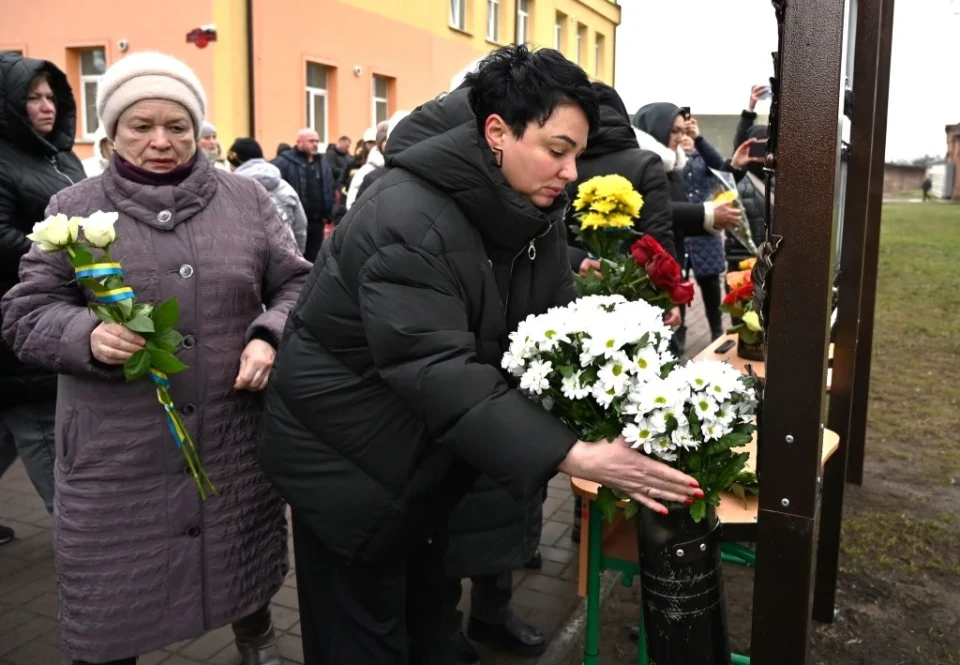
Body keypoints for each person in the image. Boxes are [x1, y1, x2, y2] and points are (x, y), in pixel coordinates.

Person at [257, 44, 702, 664]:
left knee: (430, 628)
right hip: (346, 470)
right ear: (497, 132)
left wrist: (625, 375)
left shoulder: (530, 207)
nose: (572, 172)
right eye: (558, 150)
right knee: (363, 640)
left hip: (422, 467)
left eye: (576, 152)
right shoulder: (407, 216)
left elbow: (551, 319)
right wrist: (574, 453)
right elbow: (436, 368)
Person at [1, 51, 311, 665]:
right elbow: (24, 313)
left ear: (198, 130)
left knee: (239, 560)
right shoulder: (73, 210)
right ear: (110, 131)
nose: (161, 142)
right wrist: (83, 335)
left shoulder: (247, 201)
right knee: (113, 604)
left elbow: (297, 286)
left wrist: (267, 335)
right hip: (118, 452)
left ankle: (258, 640)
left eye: (177, 126)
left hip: (228, 430)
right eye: (140, 126)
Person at [0, 52, 86, 544]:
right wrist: (71, 245)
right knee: (44, 438)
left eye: (51, 96)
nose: (46, 106)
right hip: (20, 331)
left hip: (61, 309)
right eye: (31, 97)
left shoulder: (60, 156)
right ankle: (90, 549)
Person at [633, 103, 757, 354]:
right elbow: (657, 212)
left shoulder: (671, 166)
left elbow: (686, 205)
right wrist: (707, 213)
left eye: (684, 131)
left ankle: (711, 338)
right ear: (657, 129)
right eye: (675, 131)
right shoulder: (643, 165)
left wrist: (731, 168)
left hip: (669, 266)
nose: (681, 138)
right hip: (646, 275)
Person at [678, 120, 728, 341]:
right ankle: (678, 335)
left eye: (689, 133)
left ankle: (717, 330)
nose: (685, 137)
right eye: (681, 133)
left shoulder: (703, 158)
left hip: (705, 234)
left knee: (710, 285)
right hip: (680, 232)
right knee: (676, 284)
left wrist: (699, 139)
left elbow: (722, 167)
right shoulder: (671, 160)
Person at [229, 137, 308, 252]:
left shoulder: (231, 190)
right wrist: (298, 253)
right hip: (286, 255)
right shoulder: (285, 187)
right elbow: (300, 226)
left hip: (248, 259)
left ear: (235, 162)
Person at [273, 129, 335, 261]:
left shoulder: (322, 162)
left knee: (315, 259)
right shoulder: (284, 162)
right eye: (311, 141)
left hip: (318, 221)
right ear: (299, 142)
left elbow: (329, 186)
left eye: (317, 141)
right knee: (296, 257)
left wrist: (329, 211)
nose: (315, 144)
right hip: (295, 222)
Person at [344, 121, 388, 210]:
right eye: (370, 142)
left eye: (373, 142)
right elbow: (353, 205)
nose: (371, 145)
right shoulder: (365, 170)